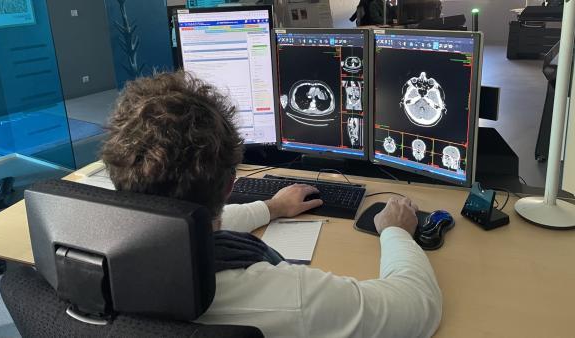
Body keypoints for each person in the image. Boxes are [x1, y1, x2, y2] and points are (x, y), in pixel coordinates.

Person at [101, 71, 442, 337]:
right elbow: (417, 307)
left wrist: (271, 208)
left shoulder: (82, 261)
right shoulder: (291, 298)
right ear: (230, 186)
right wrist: (396, 232)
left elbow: (181, 229)